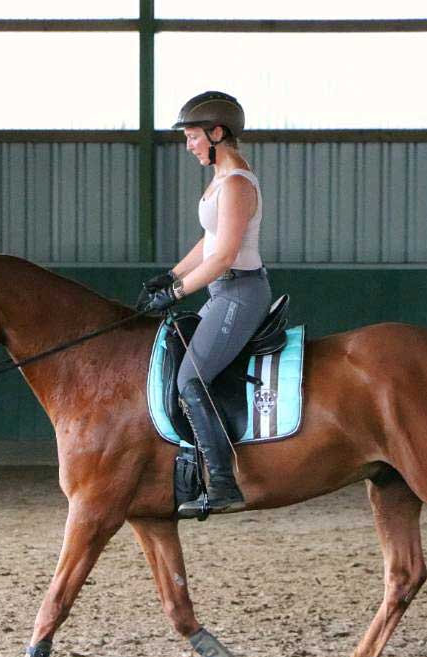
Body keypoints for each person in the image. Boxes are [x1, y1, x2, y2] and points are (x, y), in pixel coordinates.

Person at [137, 91, 271, 517]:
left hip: (240, 291)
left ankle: (224, 482)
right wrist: (172, 274)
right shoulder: (219, 181)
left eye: (194, 136)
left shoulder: (235, 184)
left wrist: (176, 294)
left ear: (217, 133)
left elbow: (224, 256)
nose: (189, 145)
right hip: (222, 291)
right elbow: (208, 242)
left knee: (189, 381)